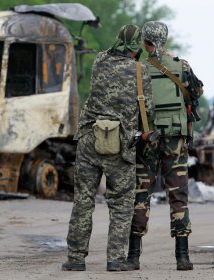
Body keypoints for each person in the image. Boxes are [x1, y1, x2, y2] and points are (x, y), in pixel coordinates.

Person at [62, 24, 153, 272]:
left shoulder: (99, 61)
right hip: (120, 144)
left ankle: (75, 259)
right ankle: (115, 259)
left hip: (90, 138)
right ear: (136, 47)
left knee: (83, 201)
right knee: (121, 204)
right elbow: (148, 111)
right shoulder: (140, 71)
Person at [127, 21, 203, 271]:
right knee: (178, 195)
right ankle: (182, 257)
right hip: (175, 139)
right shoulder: (181, 66)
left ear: (145, 42)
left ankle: (133, 257)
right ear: (165, 41)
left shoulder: (137, 69)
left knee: (141, 194)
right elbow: (197, 91)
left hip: (147, 139)